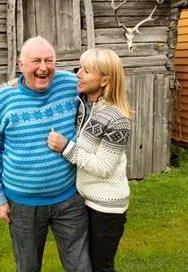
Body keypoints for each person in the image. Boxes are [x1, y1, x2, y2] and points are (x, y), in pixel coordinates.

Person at [0, 36, 91, 272]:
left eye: (49, 60)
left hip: (69, 197)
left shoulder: (70, 84)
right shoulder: (3, 99)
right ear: (21, 65)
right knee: (28, 267)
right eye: (36, 61)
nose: (44, 67)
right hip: (23, 204)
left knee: (81, 266)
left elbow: (102, 83)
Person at [48, 48, 132, 272]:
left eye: (86, 70)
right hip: (84, 200)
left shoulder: (117, 119)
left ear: (104, 80)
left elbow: (104, 167)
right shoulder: (84, 104)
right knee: (84, 264)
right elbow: (55, 80)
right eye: (79, 68)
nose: (78, 74)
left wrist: (66, 147)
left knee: (100, 266)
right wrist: (17, 84)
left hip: (106, 208)